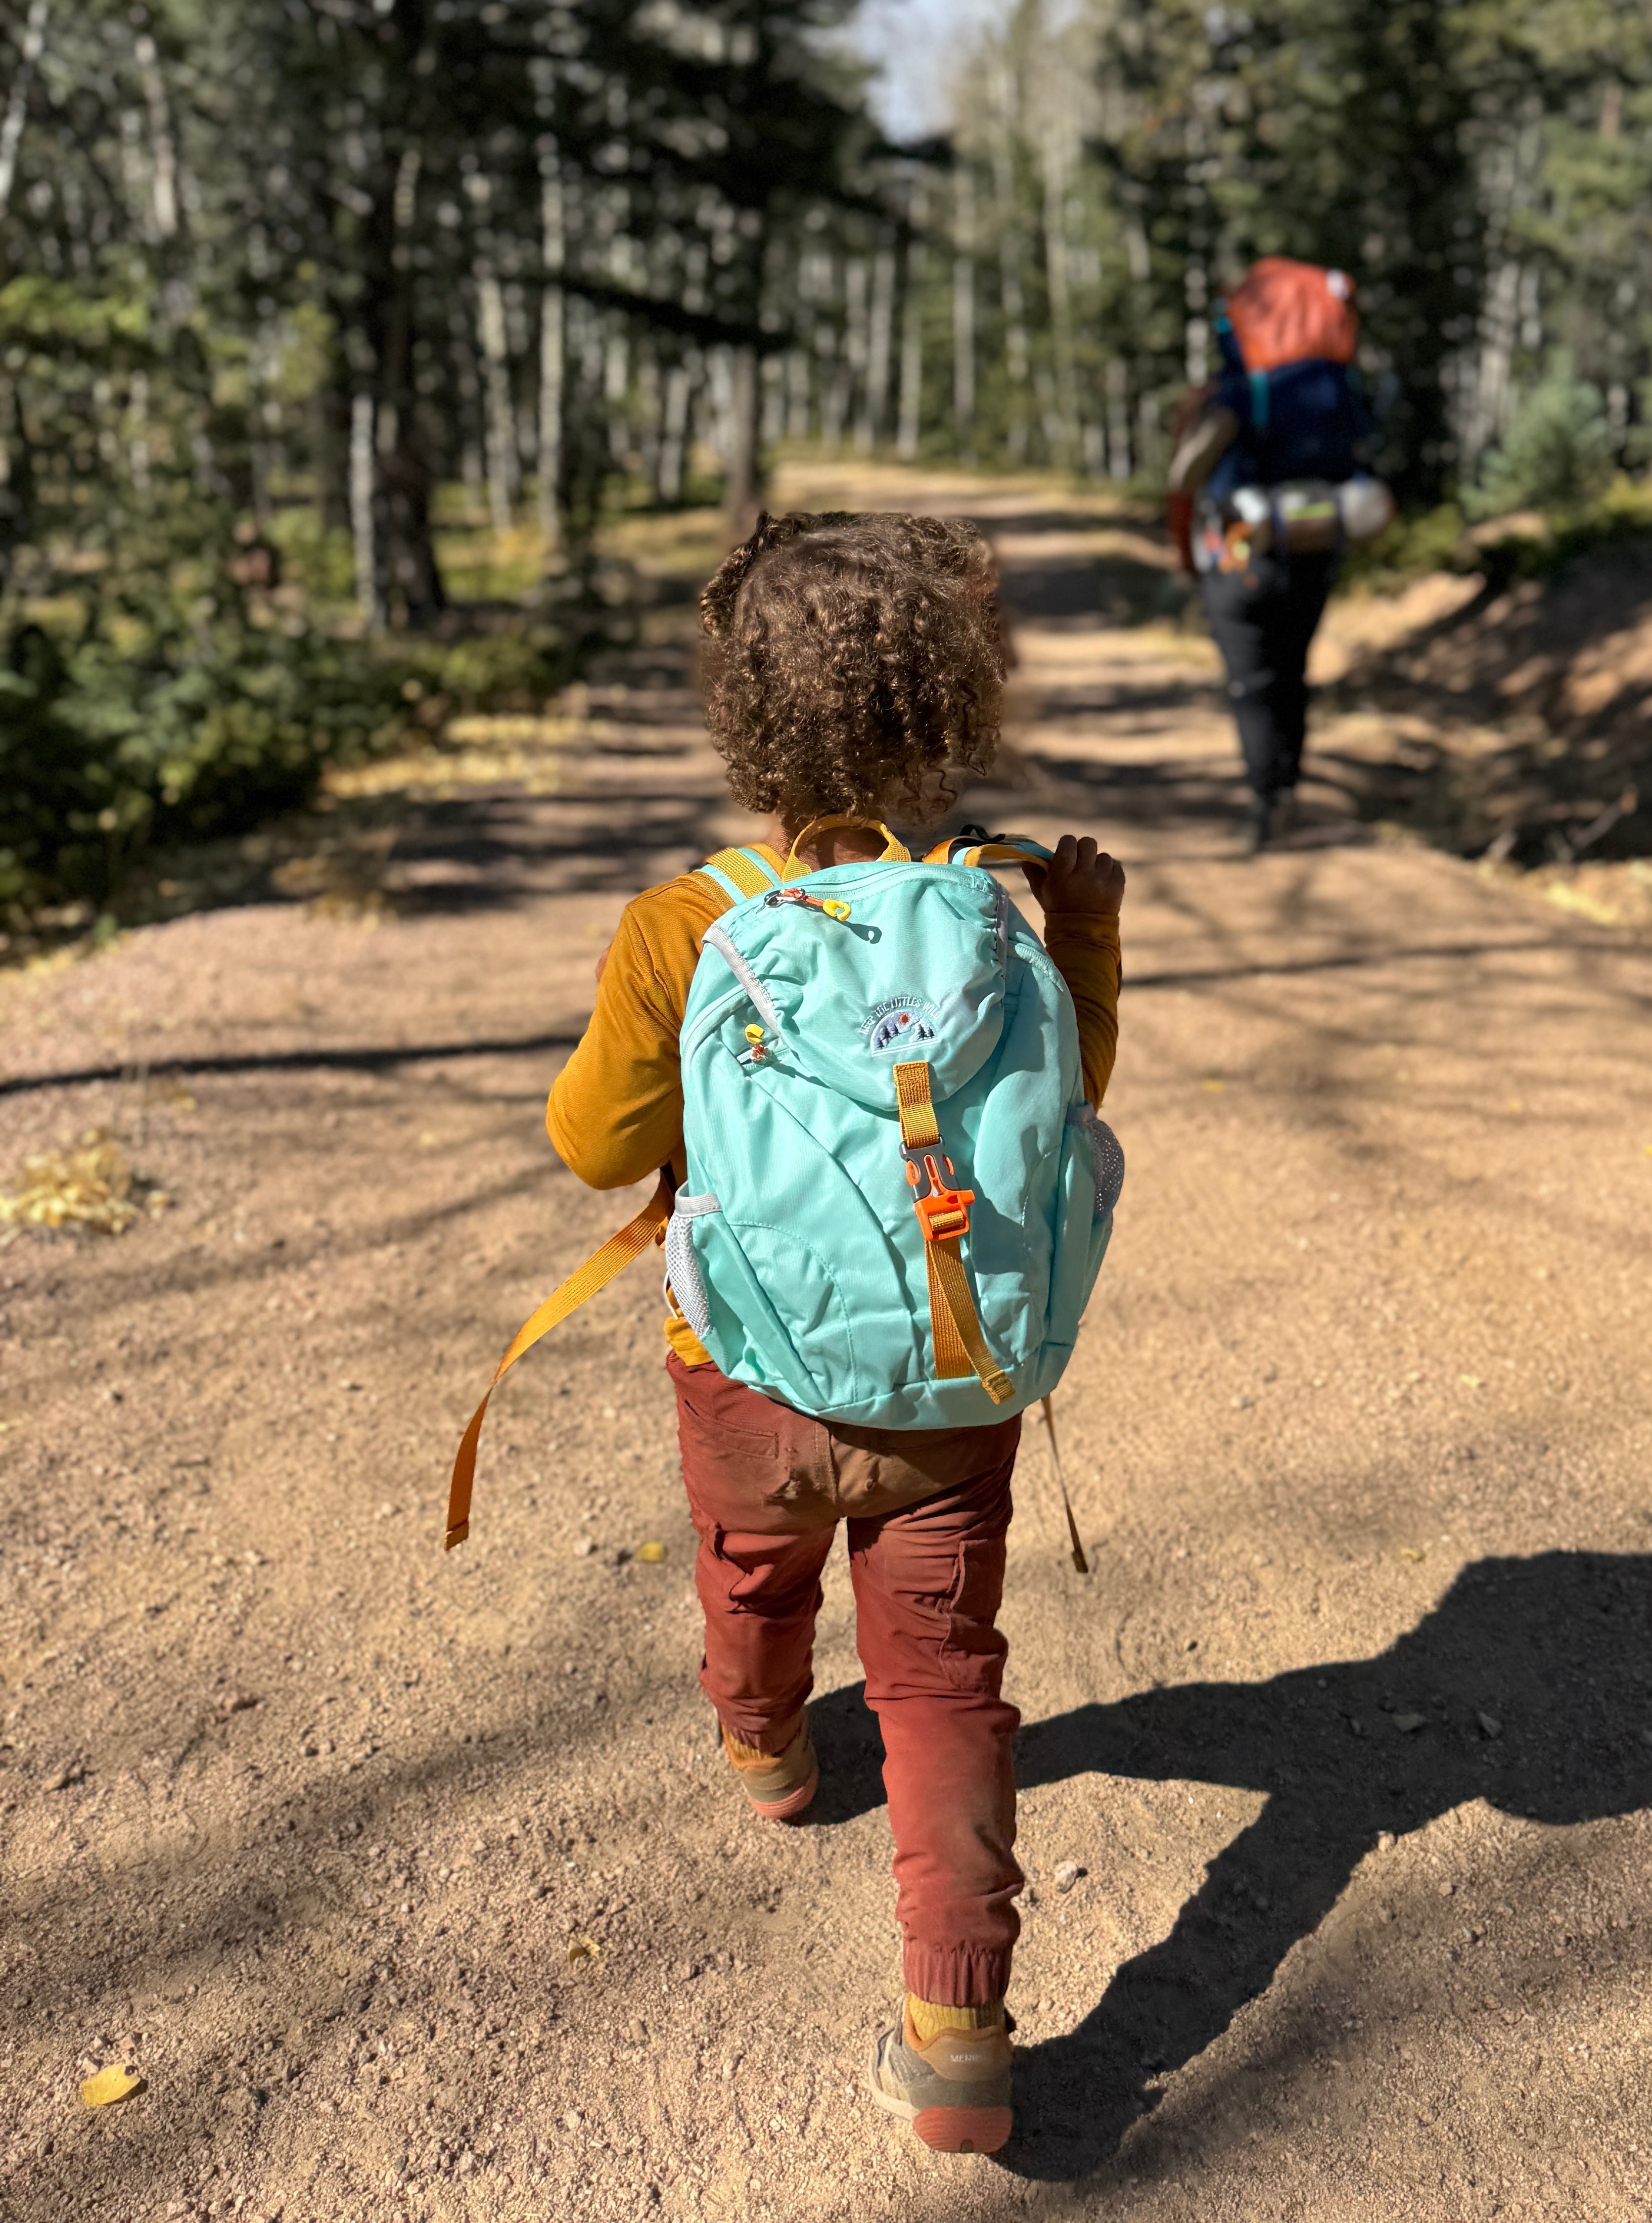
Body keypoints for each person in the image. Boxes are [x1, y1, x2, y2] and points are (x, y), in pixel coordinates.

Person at [544, 511, 1124, 2155]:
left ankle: (767, 1749)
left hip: (742, 1373)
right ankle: (959, 2035)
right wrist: (1085, 932)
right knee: (941, 1684)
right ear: (957, 702)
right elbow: (1067, 1105)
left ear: (739, 718)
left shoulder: (684, 924)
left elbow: (597, 1144)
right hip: (951, 1386)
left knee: (751, 1572)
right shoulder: (1004, 908)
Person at [1167, 259, 1392, 854]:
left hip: (1239, 559)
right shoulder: (1336, 391)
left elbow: (1184, 475)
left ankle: (1266, 798)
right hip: (1316, 548)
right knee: (1293, 670)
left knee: (1251, 682)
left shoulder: (1236, 396)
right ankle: (1289, 784)